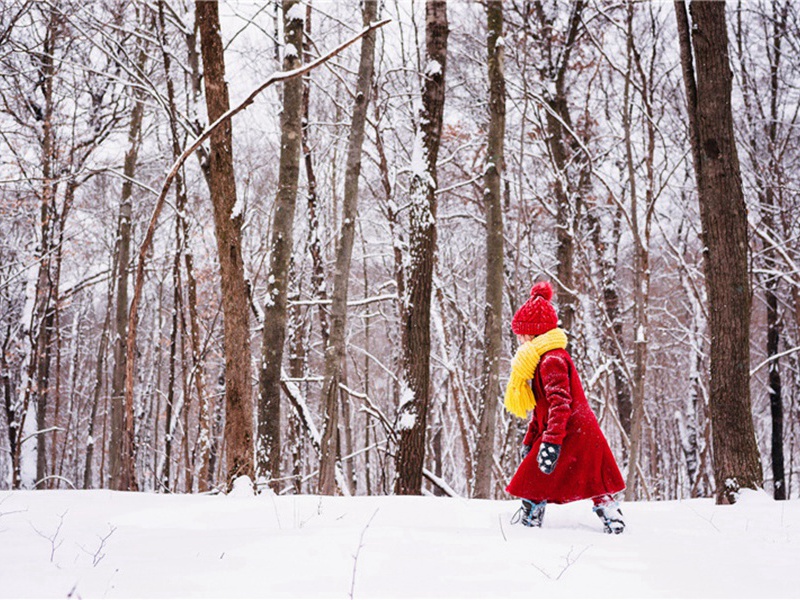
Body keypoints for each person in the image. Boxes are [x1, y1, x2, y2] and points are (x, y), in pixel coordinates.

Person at [504, 281, 626, 534]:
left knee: (539, 475)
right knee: (582, 476)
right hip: (568, 428)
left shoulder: (552, 361)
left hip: (572, 428)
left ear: (533, 334)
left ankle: (533, 518)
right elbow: (542, 408)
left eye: (521, 335)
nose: (518, 340)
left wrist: (551, 442)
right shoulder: (542, 360)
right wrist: (532, 438)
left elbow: (560, 405)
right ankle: (608, 513)